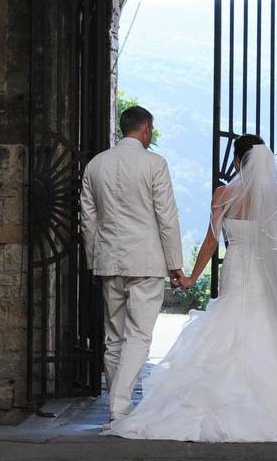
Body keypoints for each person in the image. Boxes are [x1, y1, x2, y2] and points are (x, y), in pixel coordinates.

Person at [101, 134, 277, 459]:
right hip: (264, 273)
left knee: (230, 323)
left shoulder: (224, 193)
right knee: (264, 328)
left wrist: (190, 276)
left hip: (236, 267)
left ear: (238, 161)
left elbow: (210, 242)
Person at [80, 105, 185, 422]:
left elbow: (88, 221)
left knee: (113, 338)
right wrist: (175, 264)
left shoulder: (95, 165)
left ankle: (118, 407)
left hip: (109, 260)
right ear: (146, 129)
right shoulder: (155, 164)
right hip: (146, 260)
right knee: (139, 336)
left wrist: (93, 262)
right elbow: (166, 217)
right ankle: (120, 405)